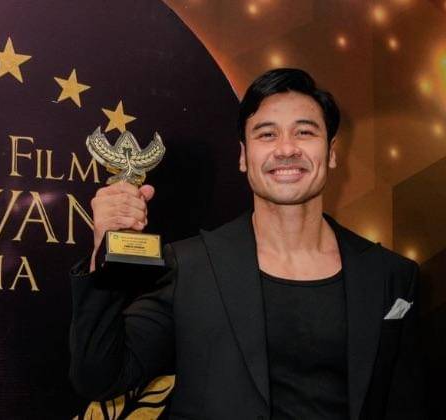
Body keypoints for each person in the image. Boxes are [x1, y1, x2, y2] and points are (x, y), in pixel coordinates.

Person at [69, 68, 427, 419]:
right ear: (243, 156)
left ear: (331, 152)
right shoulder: (189, 266)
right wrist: (105, 251)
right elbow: (100, 377)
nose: (286, 149)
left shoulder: (390, 276)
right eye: (267, 134)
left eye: (304, 132)